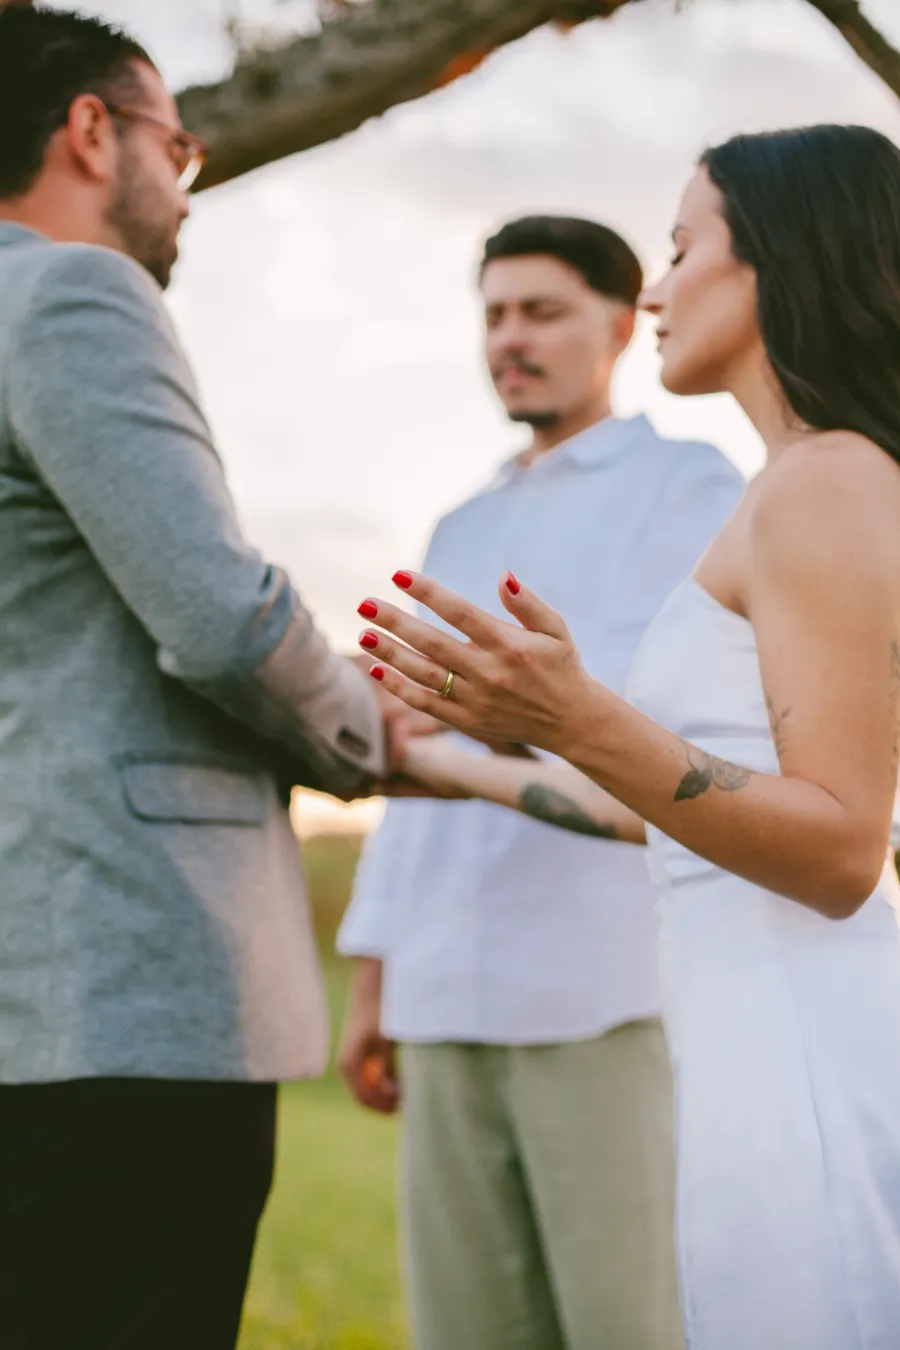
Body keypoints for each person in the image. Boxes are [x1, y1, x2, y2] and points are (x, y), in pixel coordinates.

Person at [357, 124, 900, 1350]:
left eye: (681, 247)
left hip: (776, 1034)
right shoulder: (799, 485)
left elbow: (844, 849)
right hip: (738, 1026)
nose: (659, 290)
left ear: (778, 258)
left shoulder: (816, 481)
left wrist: (568, 717)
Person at [0, 10, 411, 1350]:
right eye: (178, 147)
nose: (187, 185)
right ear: (90, 129)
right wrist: (366, 728)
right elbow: (223, 619)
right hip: (121, 988)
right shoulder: (70, 294)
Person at [337, 214, 744, 1350]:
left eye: (542, 311)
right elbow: (410, 767)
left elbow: (666, 725)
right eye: (494, 315)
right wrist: (375, 980)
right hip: (442, 993)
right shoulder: (459, 521)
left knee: (625, 1326)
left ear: (618, 327)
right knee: (467, 1328)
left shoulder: (688, 485)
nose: (509, 338)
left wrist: (494, 713)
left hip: (601, 988)